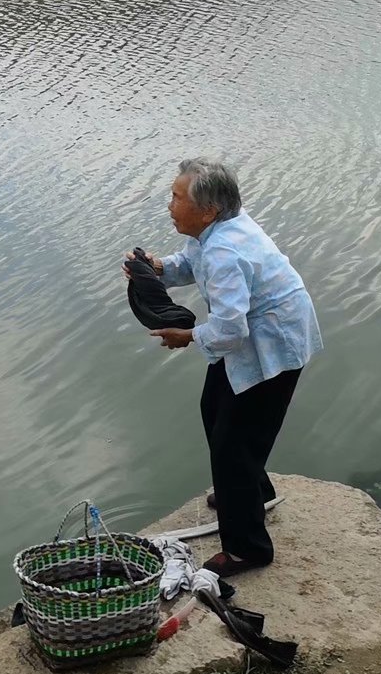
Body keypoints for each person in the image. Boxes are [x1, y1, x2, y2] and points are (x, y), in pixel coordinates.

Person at [127, 158, 321, 580]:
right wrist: (156, 268)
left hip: (272, 347)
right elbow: (189, 263)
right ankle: (255, 491)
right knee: (215, 411)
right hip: (255, 339)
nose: (169, 206)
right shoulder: (215, 230)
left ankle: (247, 549)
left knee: (234, 443)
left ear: (208, 209)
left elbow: (229, 330)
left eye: (177, 198)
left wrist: (189, 337)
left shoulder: (224, 250)